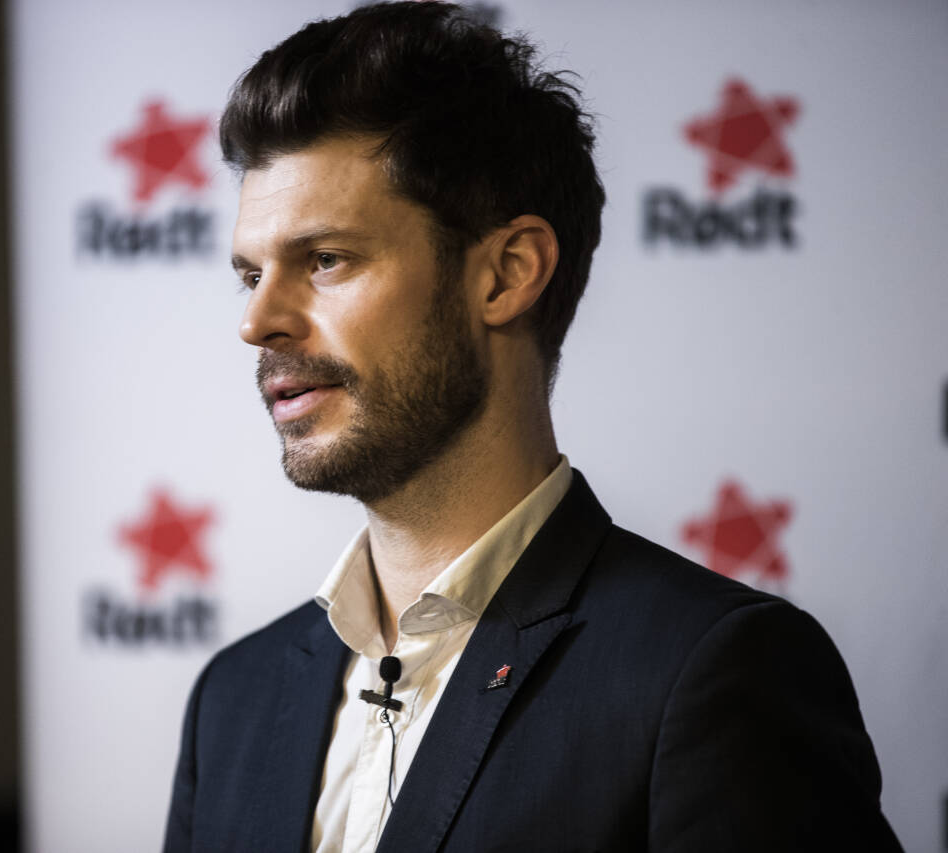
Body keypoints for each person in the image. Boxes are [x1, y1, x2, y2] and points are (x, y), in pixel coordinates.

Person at [164, 3, 901, 851]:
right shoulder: (235, 698)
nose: (258, 321)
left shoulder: (712, 673)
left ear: (507, 274)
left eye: (325, 259)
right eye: (250, 273)